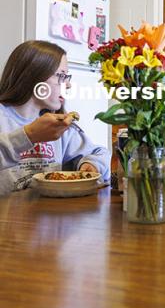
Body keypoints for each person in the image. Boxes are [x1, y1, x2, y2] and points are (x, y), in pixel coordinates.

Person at [0, 40, 110, 195]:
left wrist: (92, 165)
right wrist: (29, 135)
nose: (69, 85)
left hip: (46, 215)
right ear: (33, 75)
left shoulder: (56, 125)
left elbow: (100, 153)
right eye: (61, 76)